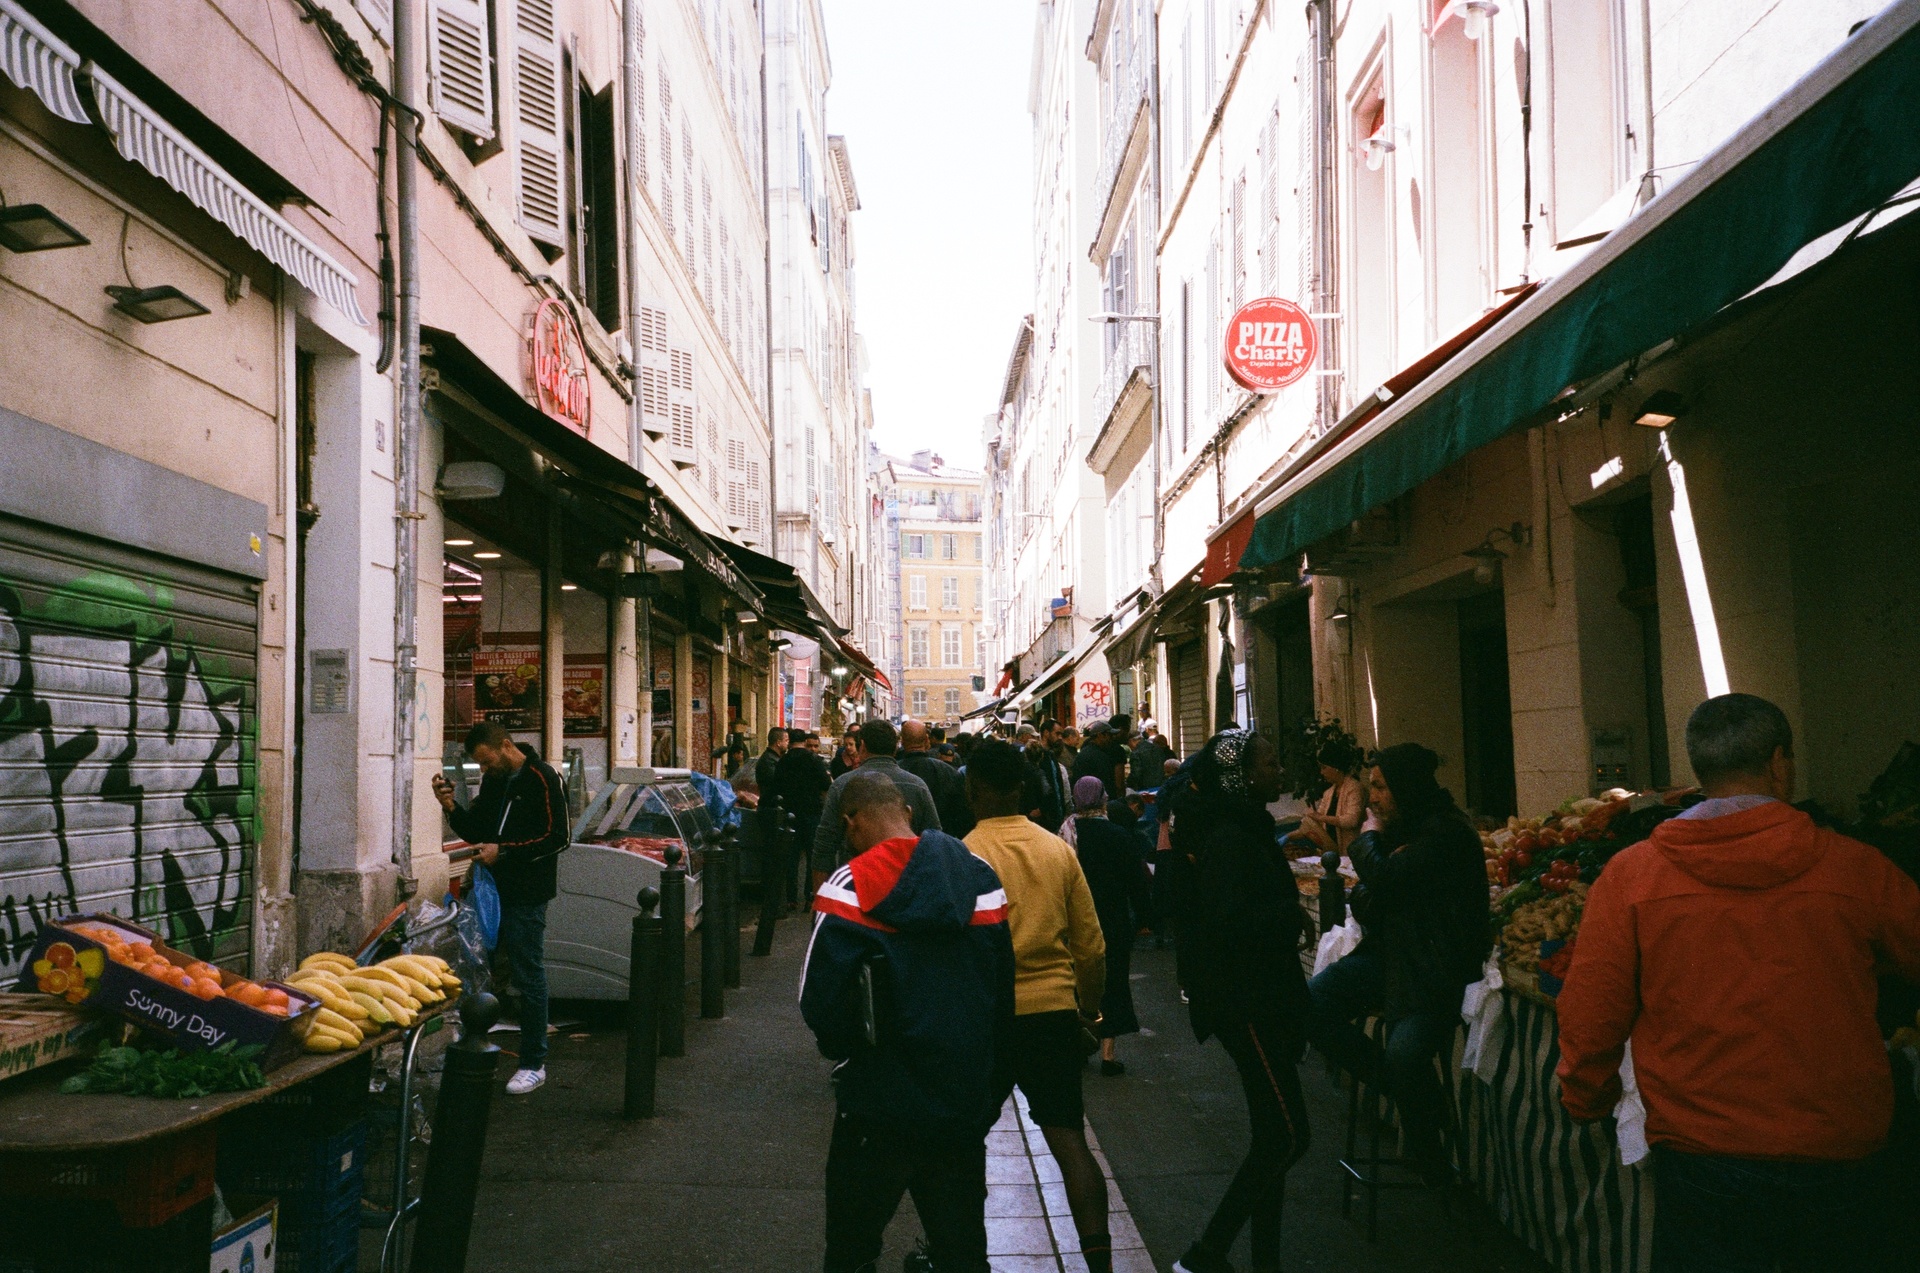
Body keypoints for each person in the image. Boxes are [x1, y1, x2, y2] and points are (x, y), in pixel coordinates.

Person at [1557, 694, 1920, 1272]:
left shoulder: (1631, 877)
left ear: (1700, 772)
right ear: (1780, 763)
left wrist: (1587, 1099)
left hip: (1703, 1161)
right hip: (1840, 1150)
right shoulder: (1856, 868)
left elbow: (1590, 1013)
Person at [801, 772, 1015, 1273]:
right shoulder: (981, 878)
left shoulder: (848, 888)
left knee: (852, 1248)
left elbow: (820, 1003)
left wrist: (851, 1055)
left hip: (878, 1100)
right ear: (910, 814)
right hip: (959, 1097)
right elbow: (1002, 994)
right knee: (962, 1248)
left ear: (851, 824)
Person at [963, 742, 1115, 1273]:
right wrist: (1088, 1012)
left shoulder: (964, 854)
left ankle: (962, 1252)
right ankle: (1099, 1263)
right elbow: (1091, 946)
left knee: (962, 1141)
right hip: (1052, 1013)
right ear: (1021, 790)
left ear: (972, 791)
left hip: (987, 1019)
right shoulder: (1057, 850)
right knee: (1069, 1139)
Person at [1307, 743, 1489, 1184]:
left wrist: (1367, 840)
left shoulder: (1444, 832)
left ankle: (1428, 1153)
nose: (1373, 798)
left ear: (1406, 787)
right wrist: (1380, 870)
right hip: (1386, 960)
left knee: (1405, 1054)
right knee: (1308, 1005)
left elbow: (1385, 880)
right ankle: (1412, 1095)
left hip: (1433, 970)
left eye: (1381, 788)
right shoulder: (1398, 830)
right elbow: (1370, 899)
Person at [1169, 731, 1313, 1273]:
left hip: (1257, 999)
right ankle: (1205, 1254)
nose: (1279, 770)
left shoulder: (1237, 827)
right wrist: (1287, 916)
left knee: (1272, 1138)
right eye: (1271, 761)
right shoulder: (1230, 838)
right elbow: (1227, 925)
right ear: (1242, 776)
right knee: (1287, 1134)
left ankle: (1263, 1261)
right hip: (1246, 1003)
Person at [432, 722, 570, 1095]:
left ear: (506, 746)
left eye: (487, 761)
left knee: (528, 972)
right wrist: (450, 806)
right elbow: (478, 828)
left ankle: (533, 1063)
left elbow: (559, 837)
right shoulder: (495, 780)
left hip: (526, 892)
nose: (485, 769)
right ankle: (479, 1044)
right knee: (480, 965)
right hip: (490, 890)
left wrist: (505, 850)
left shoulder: (543, 778)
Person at [1070, 777, 1153, 1077]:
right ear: (1103, 800)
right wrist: (1145, 918)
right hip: (1113, 921)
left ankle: (1078, 1044)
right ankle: (1108, 1054)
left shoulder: (1065, 835)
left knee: (1076, 982)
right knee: (1113, 982)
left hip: (1075, 921)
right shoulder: (1118, 835)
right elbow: (1137, 883)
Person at [812, 720, 942, 888]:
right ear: (896, 747)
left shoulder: (841, 784)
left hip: (855, 886)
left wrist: (822, 900)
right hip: (906, 885)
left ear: (863, 746)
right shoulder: (917, 785)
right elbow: (934, 838)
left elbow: (825, 845)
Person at [775, 731, 833, 908]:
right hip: (812, 812)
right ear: (804, 742)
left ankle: (791, 898)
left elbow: (776, 785)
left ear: (791, 741)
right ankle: (810, 895)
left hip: (790, 813)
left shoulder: (783, 761)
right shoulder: (814, 760)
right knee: (811, 855)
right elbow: (826, 784)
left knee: (791, 856)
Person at [1284, 739, 1365, 856]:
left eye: (1324, 768)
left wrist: (1320, 817)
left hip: (1352, 854)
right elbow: (1315, 824)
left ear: (1335, 767)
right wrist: (1287, 837)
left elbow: (1351, 821)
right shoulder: (1329, 793)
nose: (1321, 772)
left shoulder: (1354, 788)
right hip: (1334, 854)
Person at [899, 718, 975, 839]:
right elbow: (962, 818)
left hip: (902, 846)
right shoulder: (950, 772)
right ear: (926, 740)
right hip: (944, 842)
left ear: (902, 741)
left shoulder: (893, 774)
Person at [1017, 722, 1070, 831]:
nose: (1060, 737)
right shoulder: (1036, 760)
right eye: (1057, 733)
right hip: (1043, 821)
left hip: (1053, 818)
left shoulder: (1050, 755)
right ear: (1046, 733)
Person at [1072, 720, 1128, 798]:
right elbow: (1110, 784)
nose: (1112, 739)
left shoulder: (1082, 754)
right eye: (1110, 735)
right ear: (1100, 735)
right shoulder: (1100, 757)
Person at [1129, 721, 1174, 789]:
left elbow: (1136, 774)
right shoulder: (1157, 748)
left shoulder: (1136, 753)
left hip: (1145, 790)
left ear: (1131, 741)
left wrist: (1128, 784)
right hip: (1161, 787)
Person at [754, 726, 789, 793]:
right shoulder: (769, 761)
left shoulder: (774, 758)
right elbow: (777, 783)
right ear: (778, 743)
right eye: (786, 740)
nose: (788, 743)